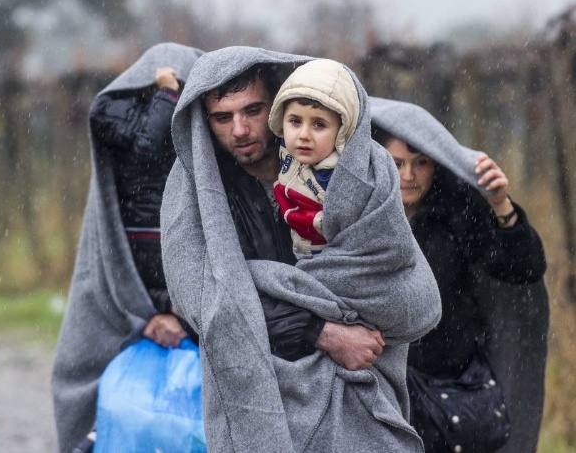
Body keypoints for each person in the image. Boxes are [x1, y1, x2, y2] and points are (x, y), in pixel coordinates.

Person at [160, 46, 442, 452]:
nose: (239, 129)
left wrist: (339, 308)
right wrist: (320, 331)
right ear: (205, 121)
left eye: (252, 111)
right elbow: (210, 304)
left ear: (276, 104)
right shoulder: (192, 193)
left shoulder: (346, 172)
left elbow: (400, 283)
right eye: (223, 117)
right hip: (262, 395)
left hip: (362, 385)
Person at [369, 96, 548, 453]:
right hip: (380, 384)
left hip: (451, 388)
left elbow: (523, 268)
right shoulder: (358, 218)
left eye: (421, 163)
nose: (408, 176)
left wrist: (501, 204)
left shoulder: (458, 215)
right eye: (397, 162)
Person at [51, 42, 204, 453]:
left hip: (179, 275)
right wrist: (169, 93)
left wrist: (180, 314)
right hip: (136, 253)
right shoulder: (115, 115)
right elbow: (148, 148)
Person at [268, 58, 360, 258]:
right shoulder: (283, 145)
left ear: (342, 130)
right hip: (295, 253)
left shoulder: (344, 178)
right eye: (295, 121)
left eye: (319, 124)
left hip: (330, 260)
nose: (303, 135)